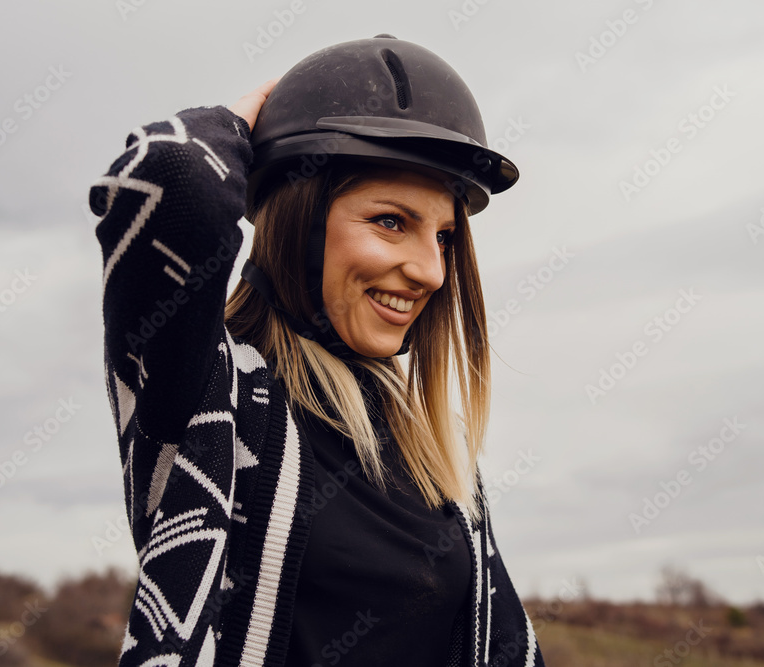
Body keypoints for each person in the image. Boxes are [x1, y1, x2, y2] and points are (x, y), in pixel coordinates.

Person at [90, 35, 544, 666]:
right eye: (391, 221)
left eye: (442, 237)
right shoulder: (208, 396)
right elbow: (166, 180)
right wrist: (242, 125)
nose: (430, 272)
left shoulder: (433, 448)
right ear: (296, 218)